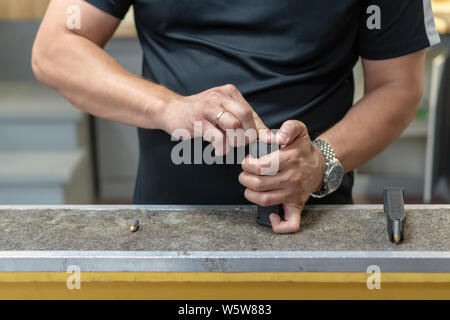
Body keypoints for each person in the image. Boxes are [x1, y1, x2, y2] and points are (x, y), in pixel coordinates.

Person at [32, 0, 440, 233]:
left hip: (311, 222)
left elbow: (398, 86)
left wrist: (320, 159)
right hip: (167, 219)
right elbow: (55, 47)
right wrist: (168, 107)